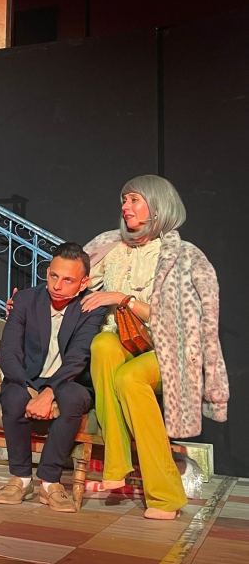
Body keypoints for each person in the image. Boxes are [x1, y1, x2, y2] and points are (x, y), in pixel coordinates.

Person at [81, 175, 229, 520]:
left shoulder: (180, 256)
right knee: (102, 344)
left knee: (130, 378)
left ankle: (165, 496)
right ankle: (116, 463)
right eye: (124, 199)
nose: (125, 206)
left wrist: (125, 300)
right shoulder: (111, 247)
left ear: (158, 207)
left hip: (171, 351)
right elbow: (74, 281)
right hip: (124, 339)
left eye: (134, 199)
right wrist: (28, 302)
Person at [0, 243, 104, 512]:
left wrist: (49, 393)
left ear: (84, 283)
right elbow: (8, 351)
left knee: (73, 399)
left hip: (70, 380)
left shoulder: (91, 308)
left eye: (68, 280)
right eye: (54, 275)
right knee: (13, 397)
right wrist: (31, 391)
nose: (57, 285)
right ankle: (20, 479)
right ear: (47, 272)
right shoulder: (26, 300)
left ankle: (50, 482)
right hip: (28, 379)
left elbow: (78, 358)